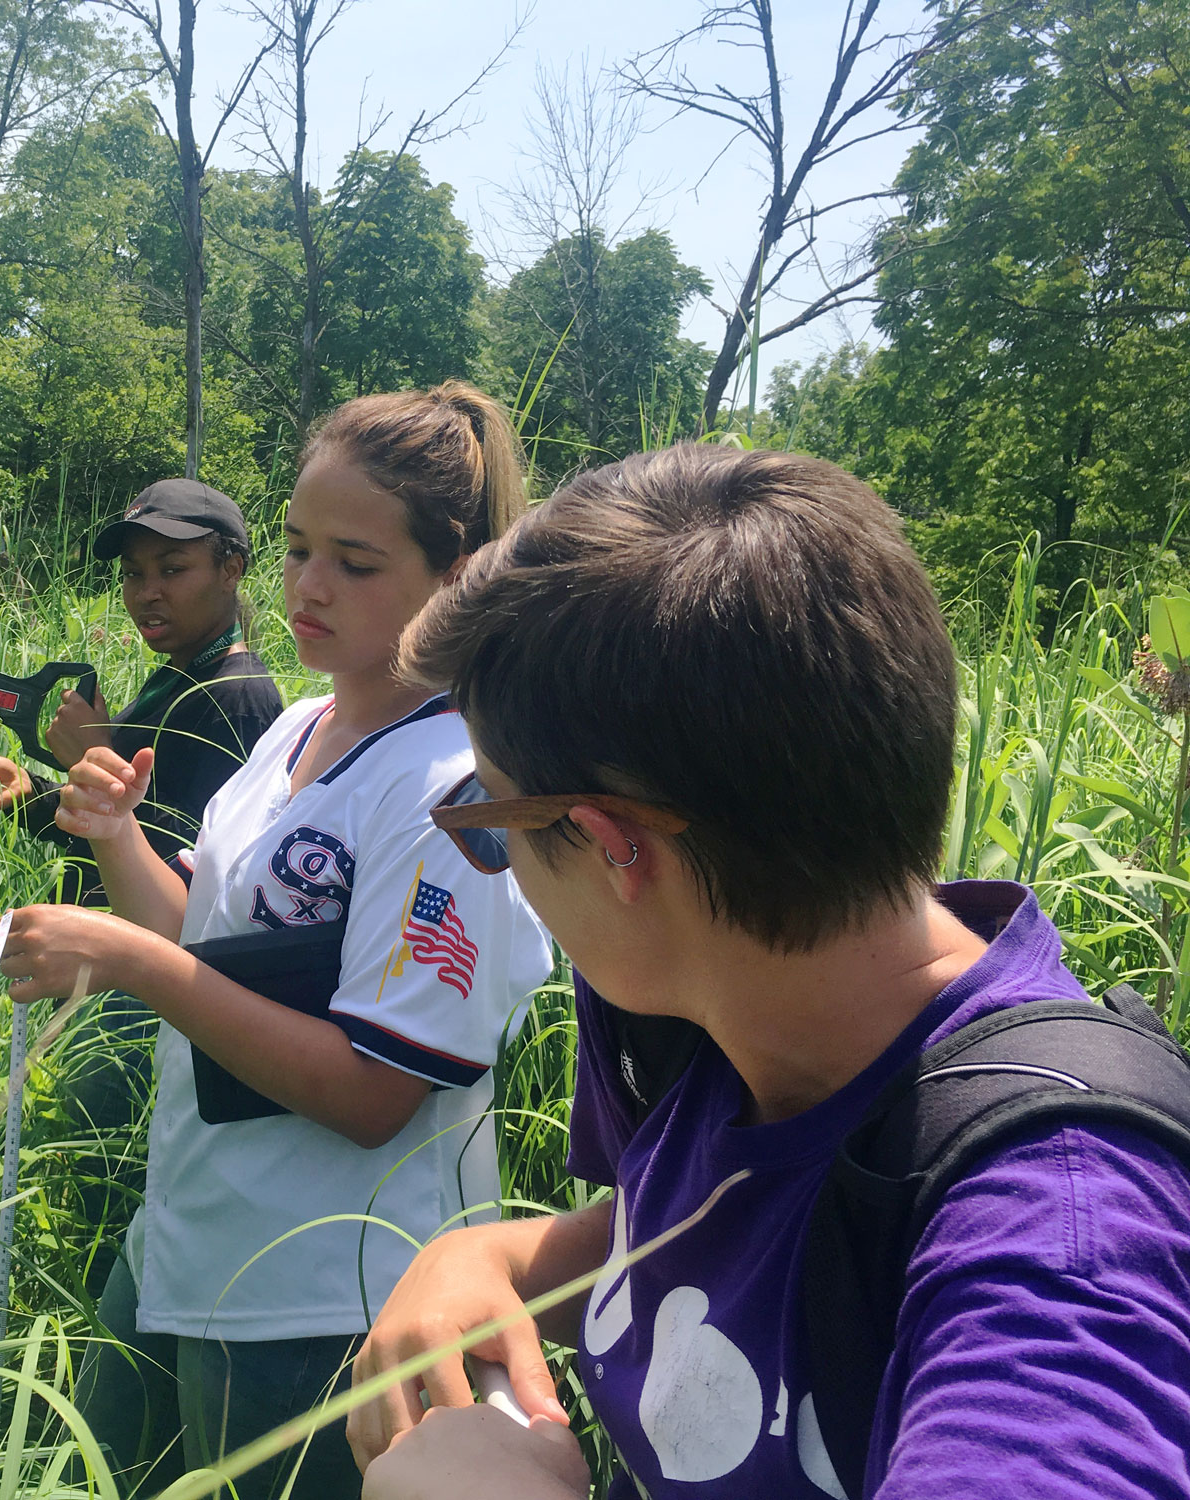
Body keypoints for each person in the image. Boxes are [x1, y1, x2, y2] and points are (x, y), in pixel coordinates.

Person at [344, 445, 1190, 1499]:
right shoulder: (717, 1033)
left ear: (612, 846)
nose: (498, 865)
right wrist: (494, 1261)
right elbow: (712, 1228)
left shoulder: (1059, 1225)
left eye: (486, 821)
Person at [0, 382, 556, 1500]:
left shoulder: (453, 792)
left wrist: (125, 961)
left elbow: (372, 1093)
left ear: (456, 577)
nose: (307, 587)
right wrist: (114, 841)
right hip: (195, 1239)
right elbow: (205, 937)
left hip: (333, 1300)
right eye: (297, 548)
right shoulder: (303, 723)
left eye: (354, 562)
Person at [0, 480, 285, 1277]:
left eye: (173, 568)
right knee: (93, 1190)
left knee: (117, 1205)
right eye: (135, 574)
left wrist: (87, 760)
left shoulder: (236, 698)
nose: (147, 593)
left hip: (149, 1000)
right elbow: (118, 834)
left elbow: (196, 882)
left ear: (233, 566)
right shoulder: (176, 679)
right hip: (108, 975)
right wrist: (34, 795)